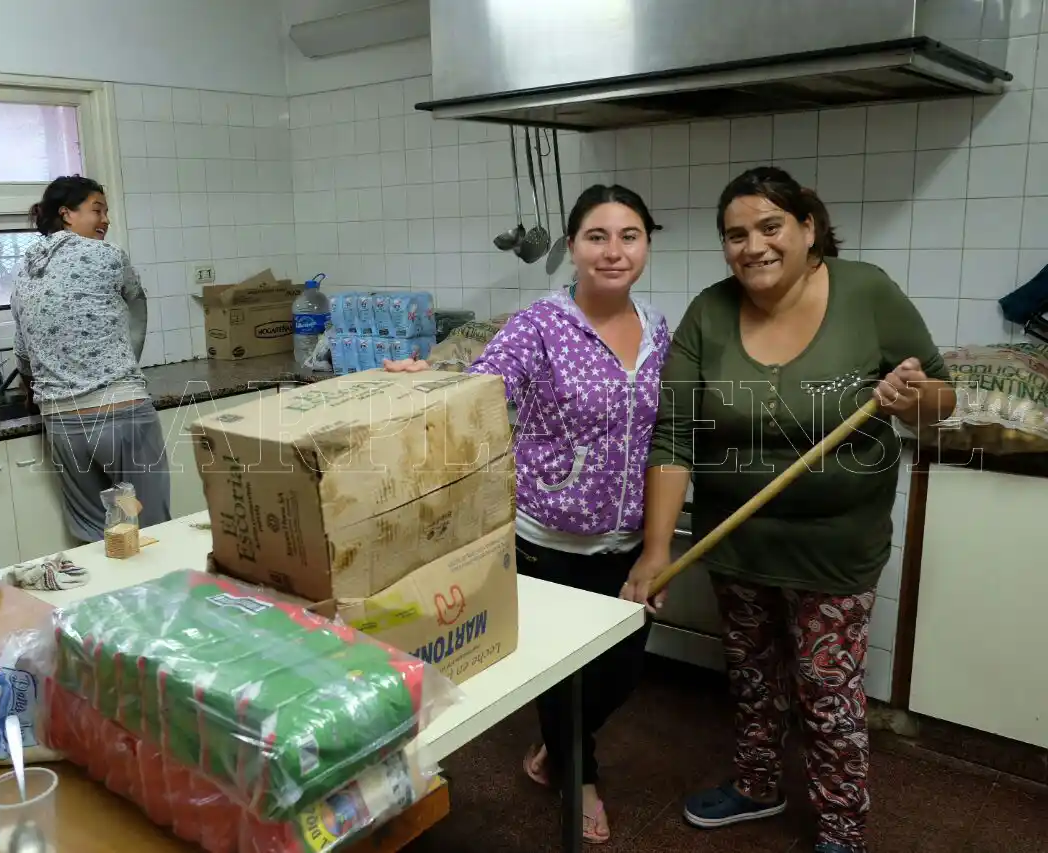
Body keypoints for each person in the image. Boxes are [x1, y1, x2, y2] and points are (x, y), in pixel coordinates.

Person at [626, 166, 956, 853]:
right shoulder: (709, 312)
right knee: (750, 672)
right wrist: (657, 550)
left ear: (808, 228)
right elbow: (674, 431)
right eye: (735, 234)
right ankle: (756, 784)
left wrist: (912, 397)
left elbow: (940, 398)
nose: (753, 246)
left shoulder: (866, 293)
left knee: (825, 688)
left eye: (770, 226)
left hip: (836, 545)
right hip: (737, 541)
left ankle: (841, 826)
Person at [383, 184, 670, 844]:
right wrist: (421, 379)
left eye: (629, 235)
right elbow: (482, 384)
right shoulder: (539, 325)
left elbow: (661, 430)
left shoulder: (656, 327)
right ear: (571, 246)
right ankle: (579, 772)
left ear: (647, 244)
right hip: (548, 536)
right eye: (596, 236)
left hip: (626, 536)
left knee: (621, 673)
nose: (613, 250)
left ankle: (561, 747)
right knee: (564, 672)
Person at [10, 175, 172, 543]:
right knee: (150, 528)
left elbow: (22, 348)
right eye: (97, 210)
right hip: (121, 411)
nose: (106, 220)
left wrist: (31, 383)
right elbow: (137, 301)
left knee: (93, 532)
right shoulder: (108, 255)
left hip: (62, 421)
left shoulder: (25, 267)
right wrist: (129, 361)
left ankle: (106, 599)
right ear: (66, 214)